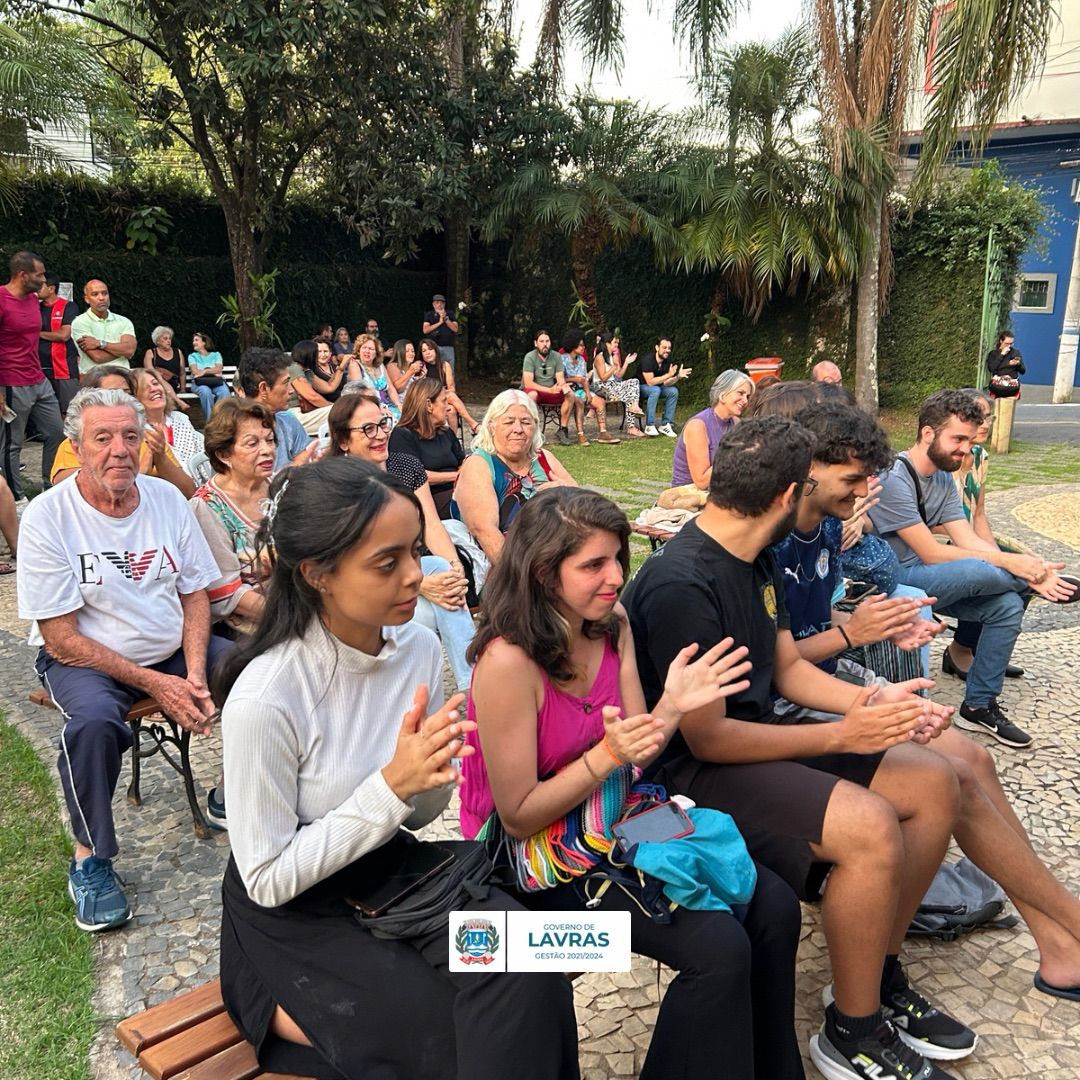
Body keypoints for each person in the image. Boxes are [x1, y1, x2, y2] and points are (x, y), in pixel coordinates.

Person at [624, 416, 977, 1080]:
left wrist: (874, 706)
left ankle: (874, 974)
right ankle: (854, 1032)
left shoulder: (754, 552)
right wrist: (843, 734)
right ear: (790, 493)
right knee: (869, 825)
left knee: (934, 782)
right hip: (685, 774)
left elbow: (785, 668)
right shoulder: (682, 583)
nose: (859, 493)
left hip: (755, 740)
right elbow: (708, 738)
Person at [210, 459, 578, 1079]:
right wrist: (391, 786)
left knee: (531, 969)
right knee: (451, 1030)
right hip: (296, 914)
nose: (416, 575)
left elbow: (419, 813)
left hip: (392, 876)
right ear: (317, 574)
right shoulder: (267, 698)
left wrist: (429, 775)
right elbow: (267, 878)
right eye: (387, 563)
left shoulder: (416, 647)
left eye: (414, 550)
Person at [463, 487, 804, 1080]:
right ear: (543, 573)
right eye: (593, 564)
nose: (617, 577)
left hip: (615, 818)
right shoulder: (508, 663)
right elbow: (517, 816)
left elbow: (638, 754)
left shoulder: (610, 624)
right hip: (530, 862)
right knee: (717, 950)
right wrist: (606, 757)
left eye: (618, 558)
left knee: (774, 905)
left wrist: (671, 706)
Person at [772, 399, 1080, 1008]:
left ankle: (1056, 936)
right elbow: (779, 665)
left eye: (871, 478)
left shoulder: (827, 527)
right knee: (951, 775)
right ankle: (1067, 924)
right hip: (809, 697)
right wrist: (856, 638)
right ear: (804, 469)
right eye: (858, 478)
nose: (870, 491)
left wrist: (886, 624)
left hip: (833, 676)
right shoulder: (771, 543)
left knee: (976, 760)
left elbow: (818, 623)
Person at [18, 386, 228, 931]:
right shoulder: (48, 517)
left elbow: (195, 594)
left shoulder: (166, 499)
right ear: (75, 445)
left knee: (259, 671)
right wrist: (158, 685)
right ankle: (90, 858)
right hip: (86, 662)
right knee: (92, 724)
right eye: (103, 437)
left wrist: (195, 672)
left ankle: (237, 792)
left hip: (173, 652)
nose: (119, 450)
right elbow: (62, 639)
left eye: (130, 436)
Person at [869, 389, 1078, 748]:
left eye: (969, 440)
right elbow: (931, 553)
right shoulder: (894, 476)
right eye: (958, 439)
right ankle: (1032, 582)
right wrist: (1021, 567)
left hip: (933, 577)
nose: (966, 449)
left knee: (1006, 606)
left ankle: (978, 705)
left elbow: (967, 539)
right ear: (928, 433)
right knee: (979, 571)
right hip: (896, 578)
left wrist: (1015, 560)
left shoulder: (942, 477)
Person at [329, 390, 476, 692]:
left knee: (443, 571)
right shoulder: (338, 484)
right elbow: (353, 562)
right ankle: (473, 683)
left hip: (410, 570)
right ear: (343, 441)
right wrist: (421, 584)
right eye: (368, 429)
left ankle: (473, 683)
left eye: (383, 424)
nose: (381, 434)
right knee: (435, 590)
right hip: (364, 588)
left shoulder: (405, 466)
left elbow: (431, 524)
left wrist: (455, 569)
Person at [449, 389, 576, 570]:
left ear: (535, 426)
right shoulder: (479, 464)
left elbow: (583, 509)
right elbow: (486, 533)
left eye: (526, 422)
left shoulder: (544, 458)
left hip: (559, 559)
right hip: (509, 569)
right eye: (509, 422)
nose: (518, 429)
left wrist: (565, 491)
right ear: (492, 426)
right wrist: (525, 578)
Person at [51, 367, 192, 498]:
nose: (121, 400)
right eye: (111, 393)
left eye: (127, 393)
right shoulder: (76, 444)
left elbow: (189, 492)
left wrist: (160, 458)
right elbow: (66, 493)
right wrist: (142, 469)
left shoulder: (149, 438)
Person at [0, 250, 64, 501]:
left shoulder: (33, 298)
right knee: (12, 444)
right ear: (22, 275)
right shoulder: (1, 300)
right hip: (11, 383)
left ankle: (51, 488)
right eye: (39, 275)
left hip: (38, 379)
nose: (44, 279)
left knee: (57, 433)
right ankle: (16, 499)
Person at [389, 378, 466, 519]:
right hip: (429, 498)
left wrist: (465, 472)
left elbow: (462, 461)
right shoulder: (402, 436)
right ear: (429, 405)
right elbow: (412, 476)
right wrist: (457, 476)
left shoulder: (445, 432)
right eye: (444, 401)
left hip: (458, 489)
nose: (448, 407)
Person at [671, 369, 753, 488]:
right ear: (722, 395)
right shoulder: (698, 426)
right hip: (689, 494)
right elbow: (701, 482)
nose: (745, 401)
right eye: (740, 393)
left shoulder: (736, 422)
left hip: (721, 490)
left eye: (747, 396)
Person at [237, 347, 313, 473]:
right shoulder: (235, 430)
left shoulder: (287, 420)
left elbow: (303, 457)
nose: (291, 390)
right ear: (263, 388)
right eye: (286, 383)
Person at [521, 329, 585, 447]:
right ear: (536, 343)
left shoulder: (556, 356)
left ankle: (563, 430)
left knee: (570, 394)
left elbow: (560, 378)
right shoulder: (530, 357)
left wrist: (563, 386)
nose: (545, 344)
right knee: (532, 395)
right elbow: (528, 383)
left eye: (547, 341)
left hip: (552, 389)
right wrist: (549, 390)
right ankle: (532, 431)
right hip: (536, 390)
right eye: (541, 341)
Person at [560, 332, 619, 444]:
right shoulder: (562, 359)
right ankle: (581, 434)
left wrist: (587, 392)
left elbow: (585, 380)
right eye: (581, 345)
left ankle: (603, 432)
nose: (584, 347)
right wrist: (575, 379)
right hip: (568, 390)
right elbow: (559, 379)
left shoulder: (581, 360)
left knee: (600, 402)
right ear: (573, 345)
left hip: (581, 389)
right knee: (579, 402)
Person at [37, 272, 82, 418]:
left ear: (51, 288)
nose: (36, 289)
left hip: (64, 367)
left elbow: (64, 335)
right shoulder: (34, 307)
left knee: (70, 412)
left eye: (40, 286)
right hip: (39, 367)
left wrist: (37, 334)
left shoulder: (68, 306)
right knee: (43, 412)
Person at [70, 278, 137, 374]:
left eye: (104, 293)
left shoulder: (124, 321)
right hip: (94, 378)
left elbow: (129, 350)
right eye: (95, 294)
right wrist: (122, 350)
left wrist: (100, 343)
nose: (101, 298)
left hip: (123, 376)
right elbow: (97, 357)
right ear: (87, 299)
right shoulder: (80, 322)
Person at [414, 337, 480, 434]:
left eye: (430, 349)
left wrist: (443, 397)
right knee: (449, 396)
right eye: (424, 351)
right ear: (421, 354)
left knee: (451, 410)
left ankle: (452, 439)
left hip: (443, 399)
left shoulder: (444, 365)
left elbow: (451, 388)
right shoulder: (420, 368)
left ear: (436, 350)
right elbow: (419, 390)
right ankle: (473, 424)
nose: (428, 353)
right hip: (427, 401)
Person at [592, 332, 645, 436]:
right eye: (614, 342)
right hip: (602, 387)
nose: (616, 345)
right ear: (607, 343)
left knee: (635, 381)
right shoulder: (599, 357)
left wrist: (626, 363)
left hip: (613, 385)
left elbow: (619, 375)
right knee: (630, 395)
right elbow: (603, 378)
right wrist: (614, 367)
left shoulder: (612, 357)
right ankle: (631, 427)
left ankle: (634, 407)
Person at [638, 336, 686, 437]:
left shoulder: (667, 361)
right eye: (664, 347)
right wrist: (668, 375)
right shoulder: (648, 360)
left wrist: (678, 377)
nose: (667, 350)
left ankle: (666, 424)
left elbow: (666, 383)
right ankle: (650, 425)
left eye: (669, 348)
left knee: (673, 391)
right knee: (655, 389)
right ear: (657, 347)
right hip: (640, 388)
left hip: (657, 389)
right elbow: (650, 382)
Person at [348, 332, 401, 421]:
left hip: (387, 405)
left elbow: (391, 389)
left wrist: (399, 405)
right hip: (367, 407)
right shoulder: (355, 365)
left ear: (376, 353)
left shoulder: (380, 365)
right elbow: (359, 391)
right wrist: (378, 407)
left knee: (405, 418)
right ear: (358, 351)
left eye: (371, 349)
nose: (367, 351)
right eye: (364, 348)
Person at [286, 340, 334, 436]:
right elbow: (312, 397)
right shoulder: (294, 368)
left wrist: (341, 368)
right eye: (317, 353)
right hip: (293, 415)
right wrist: (337, 407)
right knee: (339, 412)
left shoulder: (307, 371)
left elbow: (328, 388)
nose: (319, 356)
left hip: (304, 413)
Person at [188, 332, 231, 419]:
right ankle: (210, 421)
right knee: (205, 391)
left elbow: (218, 368)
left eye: (196, 340)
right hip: (199, 384)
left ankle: (220, 420)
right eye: (193, 341)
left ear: (204, 342)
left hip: (216, 383)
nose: (193, 342)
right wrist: (212, 370)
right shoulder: (192, 356)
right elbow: (195, 371)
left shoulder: (216, 355)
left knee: (225, 392)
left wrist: (204, 371)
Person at [144, 326, 188, 405]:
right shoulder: (151, 353)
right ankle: (177, 402)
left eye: (170, 338)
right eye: (165, 338)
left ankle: (176, 403)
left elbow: (182, 373)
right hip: (157, 386)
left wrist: (183, 389)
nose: (168, 341)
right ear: (157, 341)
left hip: (173, 384)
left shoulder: (178, 352)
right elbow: (150, 372)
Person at [305, 336, 349, 404]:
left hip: (344, 400)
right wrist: (341, 368)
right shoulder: (312, 370)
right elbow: (328, 386)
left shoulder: (335, 367)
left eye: (325, 351)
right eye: (319, 351)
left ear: (330, 353)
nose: (323, 354)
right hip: (326, 404)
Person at [422, 293, 458, 369]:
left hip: (448, 347)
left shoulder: (450, 313)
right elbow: (425, 330)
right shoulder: (429, 314)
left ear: (444, 304)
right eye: (437, 302)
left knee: (449, 369)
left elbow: (455, 329)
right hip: (434, 347)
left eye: (442, 303)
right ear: (433, 304)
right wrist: (440, 322)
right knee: (435, 369)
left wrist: (446, 319)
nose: (439, 305)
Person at [985, 330, 1025, 394]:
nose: (1009, 346)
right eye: (1006, 343)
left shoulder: (1015, 353)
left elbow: (1023, 371)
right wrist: (1002, 354)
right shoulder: (994, 353)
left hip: (1012, 385)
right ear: (1001, 341)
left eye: (1011, 344)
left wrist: (1018, 364)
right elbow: (991, 368)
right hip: (998, 385)